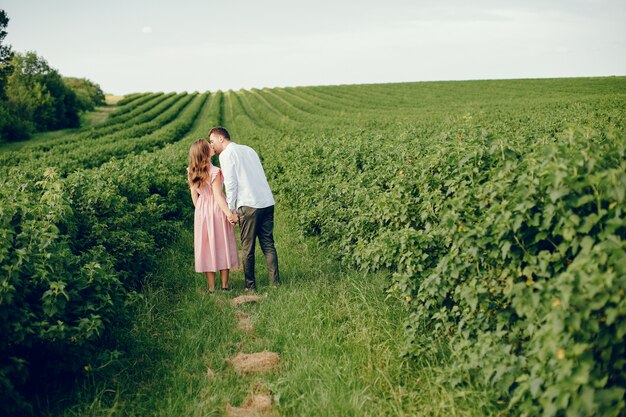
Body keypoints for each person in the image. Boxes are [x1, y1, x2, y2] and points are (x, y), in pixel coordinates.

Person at [208, 126, 280, 291]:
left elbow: (231, 184)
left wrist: (231, 209)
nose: (211, 146)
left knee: (247, 248)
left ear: (221, 138)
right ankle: (275, 284)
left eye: (212, 141)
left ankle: (250, 286)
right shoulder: (249, 149)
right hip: (266, 201)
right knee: (268, 244)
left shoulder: (226, 154)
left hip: (249, 204)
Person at [187, 139, 239, 293]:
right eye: (208, 146)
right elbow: (217, 196)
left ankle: (211, 288)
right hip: (216, 208)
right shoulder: (215, 171)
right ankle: (224, 286)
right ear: (205, 152)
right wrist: (229, 213)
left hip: (202, 209)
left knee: (206, 246)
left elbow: (193, 194)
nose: (211, 146)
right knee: (222, 243)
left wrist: (200, 210)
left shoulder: (191, 170)